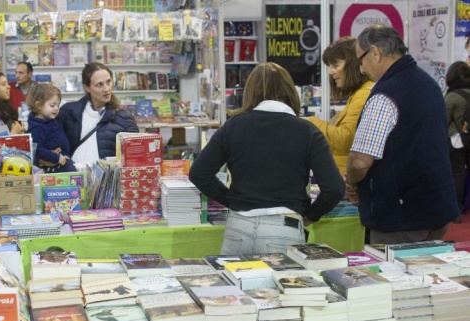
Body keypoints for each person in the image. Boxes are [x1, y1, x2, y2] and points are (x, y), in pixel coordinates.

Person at [188, 62, 345, 255]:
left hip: (239, 225)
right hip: (284, 228)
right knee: (286, 284)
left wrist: (232, 201)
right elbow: (335, 188)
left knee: (232, 285)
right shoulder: (307, 131)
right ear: (290, 91)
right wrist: (311, 215)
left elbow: (199, 173)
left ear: (249, 92)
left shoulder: (232, 127)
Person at [346, 24, 458, 244]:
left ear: (375, 53)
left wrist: (351, 183)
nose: (361, 69)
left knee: (393, 276)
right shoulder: (429, 84)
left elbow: (360, 162)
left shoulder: (385, 95)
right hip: (436, 209)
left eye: (360, 60)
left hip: (400, 217)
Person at [306, 37, 374, 175]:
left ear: (352, 66)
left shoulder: (363, 94)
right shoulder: (357, 95)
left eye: (335, 65)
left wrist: (308, 122)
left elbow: (346, 139)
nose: (331, 72)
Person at [56, 62, 139, 168]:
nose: (106, 89)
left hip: (107, 182)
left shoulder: (124, 117)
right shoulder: (68, 112)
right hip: (73, 178)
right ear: (87, 88)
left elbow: (136, 156)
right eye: (99, 84)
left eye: (108, 82)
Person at [26, 83, 76, 173]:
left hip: (62, 162)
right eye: (52, 106)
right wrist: (56, 157)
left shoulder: (50, 119)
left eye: (58, 105)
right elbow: (37, 149)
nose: (57, 109)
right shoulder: (37, 126)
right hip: (54, 167)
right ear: (38, 105)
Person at [444, 61, 470, 220]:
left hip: (455, 140)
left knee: (456, 174)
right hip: (467, 138)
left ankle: (455, 210)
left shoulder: (452, 97)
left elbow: (442, 121)